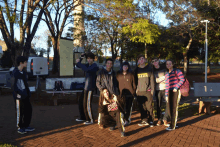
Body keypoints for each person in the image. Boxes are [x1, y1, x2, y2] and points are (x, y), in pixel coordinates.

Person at [12, 56, 35, 134]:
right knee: (20, 111)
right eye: (25, 62)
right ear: (21, 63)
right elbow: (13, 86)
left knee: (28, 110)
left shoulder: (24, 73)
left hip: (26, 95)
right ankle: (20, 127)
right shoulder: (15, 72)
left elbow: (26, 84)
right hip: (19, 96)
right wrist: (17, 95)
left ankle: (26, 126)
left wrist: (28, 93)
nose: (26, 63)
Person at [75, 52, 99, 125]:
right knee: (81, 102)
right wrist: (81, 58)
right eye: (87, 59)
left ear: (93, 59)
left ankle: (90, 119)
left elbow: (86, 69)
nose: (89, 60)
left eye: (90, 59)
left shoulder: (94, 66)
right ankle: (83, 117)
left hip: (90, 88)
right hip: (85, 87)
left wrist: (79, 62)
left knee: (87, 104)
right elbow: (77, 65)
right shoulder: (87, 65)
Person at [96, 58, 120, 126]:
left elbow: (116, 84)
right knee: (103, 109)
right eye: (108, 63)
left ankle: (111, 123)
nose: (109, 65)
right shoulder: (101, 73)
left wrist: (115, 93)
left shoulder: (113, 73)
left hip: (112, 94)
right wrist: (103, 90)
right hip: (104, 94)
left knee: (112, 109)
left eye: (111, 63)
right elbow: (97, 83)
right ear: (106, 64)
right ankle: (102, 123)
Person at [134, 54, 155, 127]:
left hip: (148, 91)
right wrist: (136, 89)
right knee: (142, 107)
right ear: (138, 61)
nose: (141, 60)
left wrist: (152, 89)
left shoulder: (149, 68)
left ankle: (151, 120)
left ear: (145, 60)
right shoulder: (136, 69)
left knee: (149, 106)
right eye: (139, 59)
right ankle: (144, 120)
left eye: (142, 59)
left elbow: (152, 79)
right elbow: (135, 81)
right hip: (140, 91)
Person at [165, 59, 185, 131]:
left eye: (170, 64)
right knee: (170, 108)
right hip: (169, 92)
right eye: (167, 64)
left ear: (173, 64)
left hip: (175, 91)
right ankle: (172, 124)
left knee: (174, 108)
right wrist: (166, 95)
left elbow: (182, 79)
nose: (168, 65)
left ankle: (172, 125)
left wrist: (176, 87)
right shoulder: (167, 74)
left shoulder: (177, 71)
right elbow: (166, 85)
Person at [116, 61, 136, 126]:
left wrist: (133, 92)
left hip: (130, 94)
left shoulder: (131, 74)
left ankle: (127, 120)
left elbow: (134, 84)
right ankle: (121, 119)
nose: (125, 67)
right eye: (124, 66)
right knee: (121, 108)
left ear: (128, 67)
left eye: (126, 66)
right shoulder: (118, 74)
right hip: (121, 94)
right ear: (122, 67)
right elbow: (116, 84)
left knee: (128, 108)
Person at [151, 57, 169, 126]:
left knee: (168, 104)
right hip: (157, 90)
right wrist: (162, 78)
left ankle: (165, 119)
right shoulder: (152, 70)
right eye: (153, 61)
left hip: (165, 89)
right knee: (158, 106)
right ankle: (159, 119)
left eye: (156, 61)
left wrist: (159, 79)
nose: (155, 62)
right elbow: (154, 80)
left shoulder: (164, 68)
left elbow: (167, 77)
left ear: (158, 61)